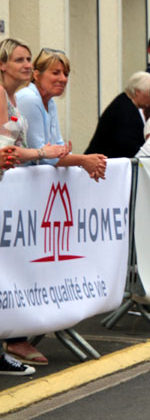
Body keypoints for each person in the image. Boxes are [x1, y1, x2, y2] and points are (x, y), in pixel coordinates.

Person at [0, 38, 67, 375]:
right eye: (20, 60)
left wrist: (43, 153)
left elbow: (18, 149)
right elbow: (9, 151)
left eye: (29, 59)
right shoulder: (8, 96)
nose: (26, 65)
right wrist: (44, 154)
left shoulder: (13, 97)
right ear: (2, 65)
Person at [16, 48, 107, 181]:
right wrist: (83, 160)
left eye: (66, 74)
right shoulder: (29, 98)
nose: (63, 79)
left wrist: (86, 162)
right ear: (36, 75)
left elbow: (57, 146)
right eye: (56, 73)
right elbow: (42, 155)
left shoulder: (50, 102)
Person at [85, 71, 150, 157]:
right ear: (138, 92)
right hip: (103, 163)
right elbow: (127, 144)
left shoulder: (124, 103)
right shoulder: (126, 109)